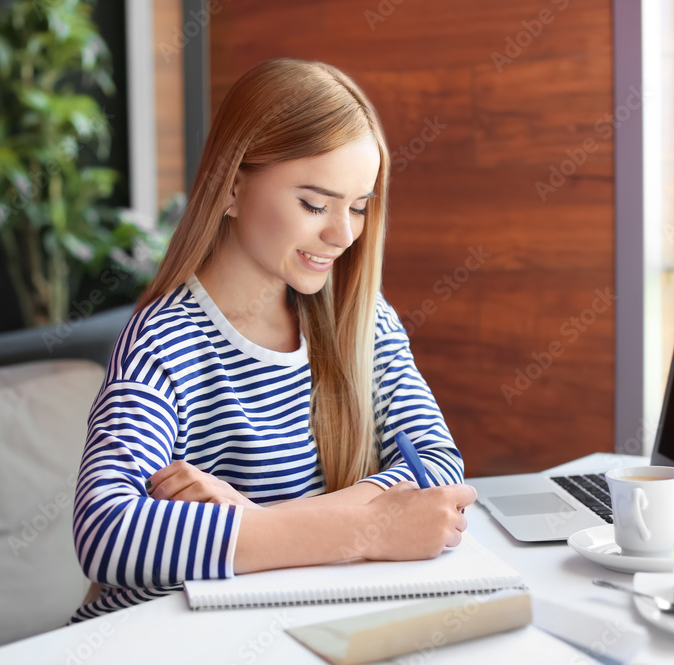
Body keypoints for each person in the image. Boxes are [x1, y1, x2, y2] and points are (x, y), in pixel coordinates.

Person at [70, 58, 477, 623]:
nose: (341, 235)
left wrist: (261, 520)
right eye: (314, 204)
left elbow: (437, 469)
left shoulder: (363, 320)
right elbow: (106, 532)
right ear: (232, 188)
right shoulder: (164, 341)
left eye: (357, 208)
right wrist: (359, 529)